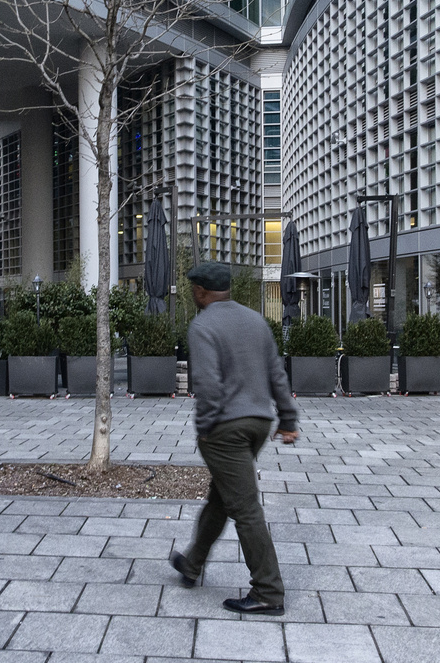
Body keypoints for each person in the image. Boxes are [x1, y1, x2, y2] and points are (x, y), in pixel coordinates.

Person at [168, 261, 298, 616]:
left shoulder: (203, 325)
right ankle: (192, 563)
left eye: (194, 289)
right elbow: (277, 373)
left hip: (226, 429)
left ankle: (268, 591)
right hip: (258, 423)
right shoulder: (256, 320)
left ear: (200, 291)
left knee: (244, 508)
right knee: (222, 497)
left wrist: (206, 427)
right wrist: (287, 418)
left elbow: (208, 385)